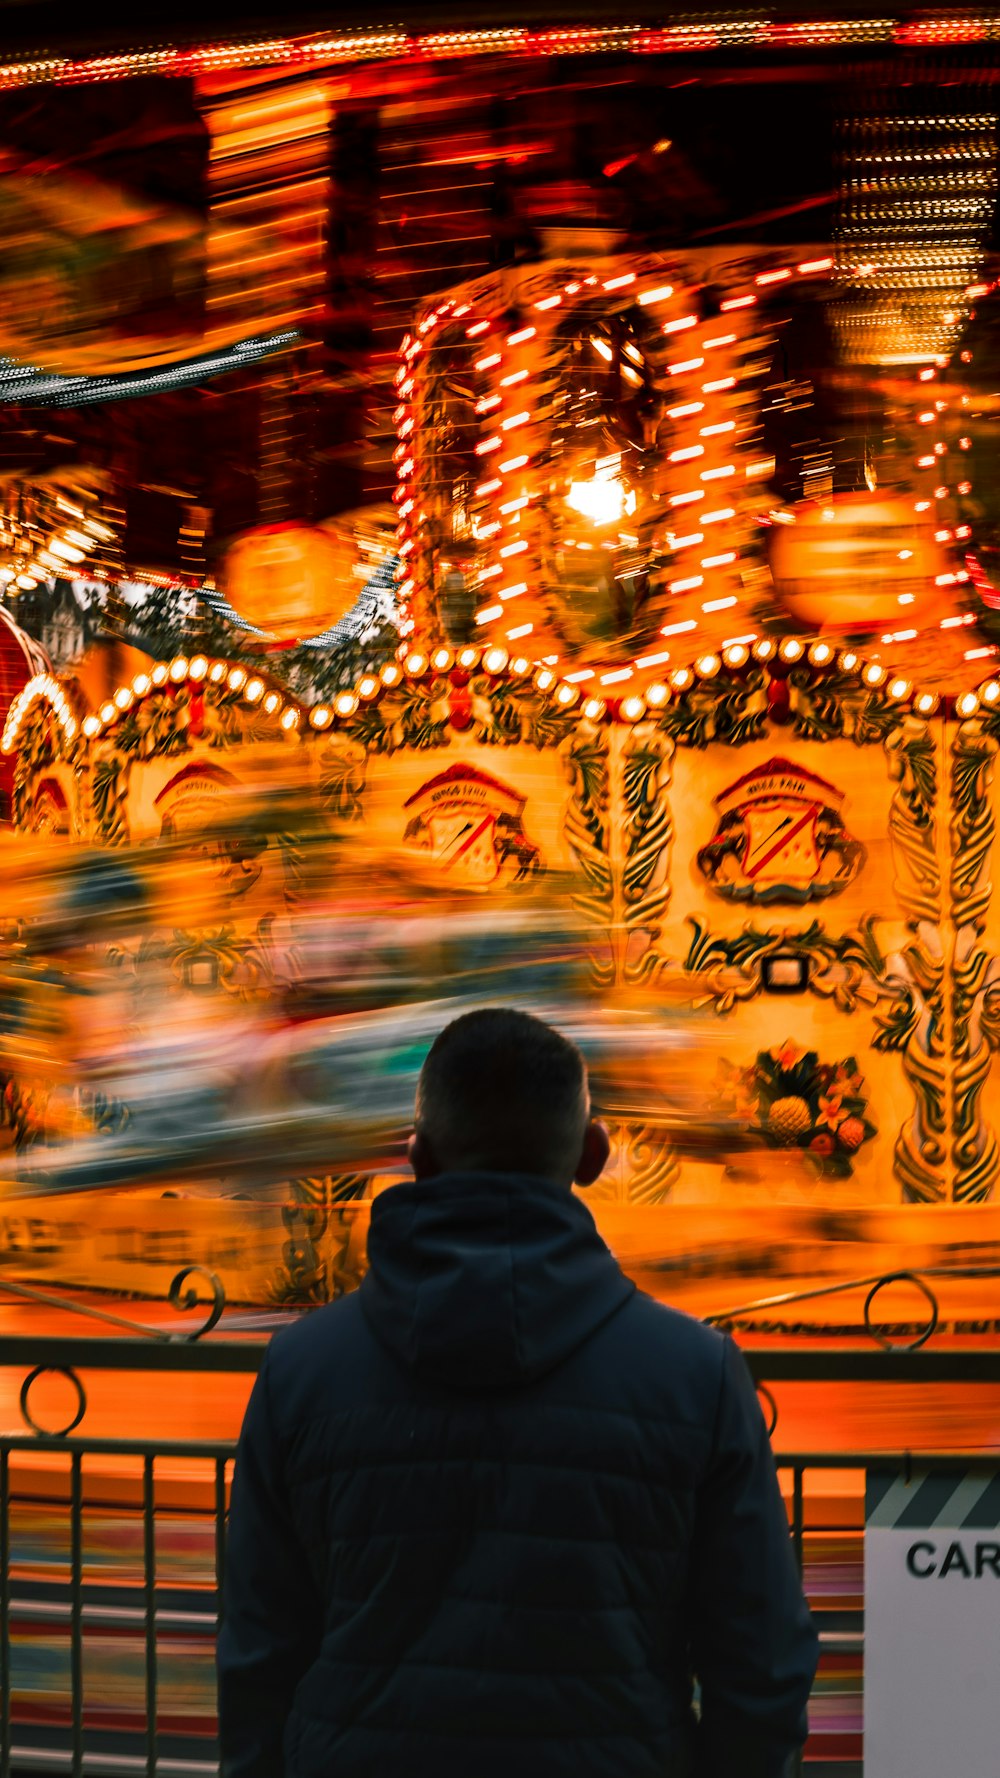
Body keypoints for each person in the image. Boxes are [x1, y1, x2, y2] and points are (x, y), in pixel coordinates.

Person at [217, 1007, 818, 1778]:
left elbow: (258, 1653)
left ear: (418, 1158)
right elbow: (759, 1660)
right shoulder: (695, 1374)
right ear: (593, 1155)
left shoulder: (302, 1369)